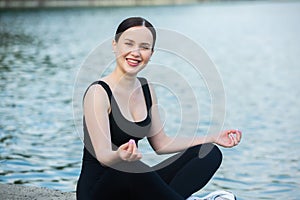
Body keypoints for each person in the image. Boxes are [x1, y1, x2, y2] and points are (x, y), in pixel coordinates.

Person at [76, 17, 242, 200]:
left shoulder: (146, 89)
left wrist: (212, 137)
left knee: (209, 153)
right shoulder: (98, 92)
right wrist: (120, 155)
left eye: (144, 47)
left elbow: (161, 144)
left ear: (151, 53)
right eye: (129, 44)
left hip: (132, 182)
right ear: (115, 45)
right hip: (97, 191)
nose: (136, 53)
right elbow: (103, 156)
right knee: (131, 166)